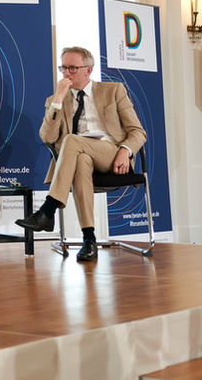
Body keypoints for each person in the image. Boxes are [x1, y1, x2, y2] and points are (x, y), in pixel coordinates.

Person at [16, 46, 147, 262]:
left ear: (89, 70)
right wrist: (58, 99)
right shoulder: (55, 100)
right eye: (63, 68)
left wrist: (125, 151)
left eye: (72, 68)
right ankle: (89, 239)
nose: (66, 73)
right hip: (77, 157)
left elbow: (138, 131)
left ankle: (48, 210)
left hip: (111, 154)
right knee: (81, 158)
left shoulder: (113, 91)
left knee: (71, 140)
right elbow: (47, 138)